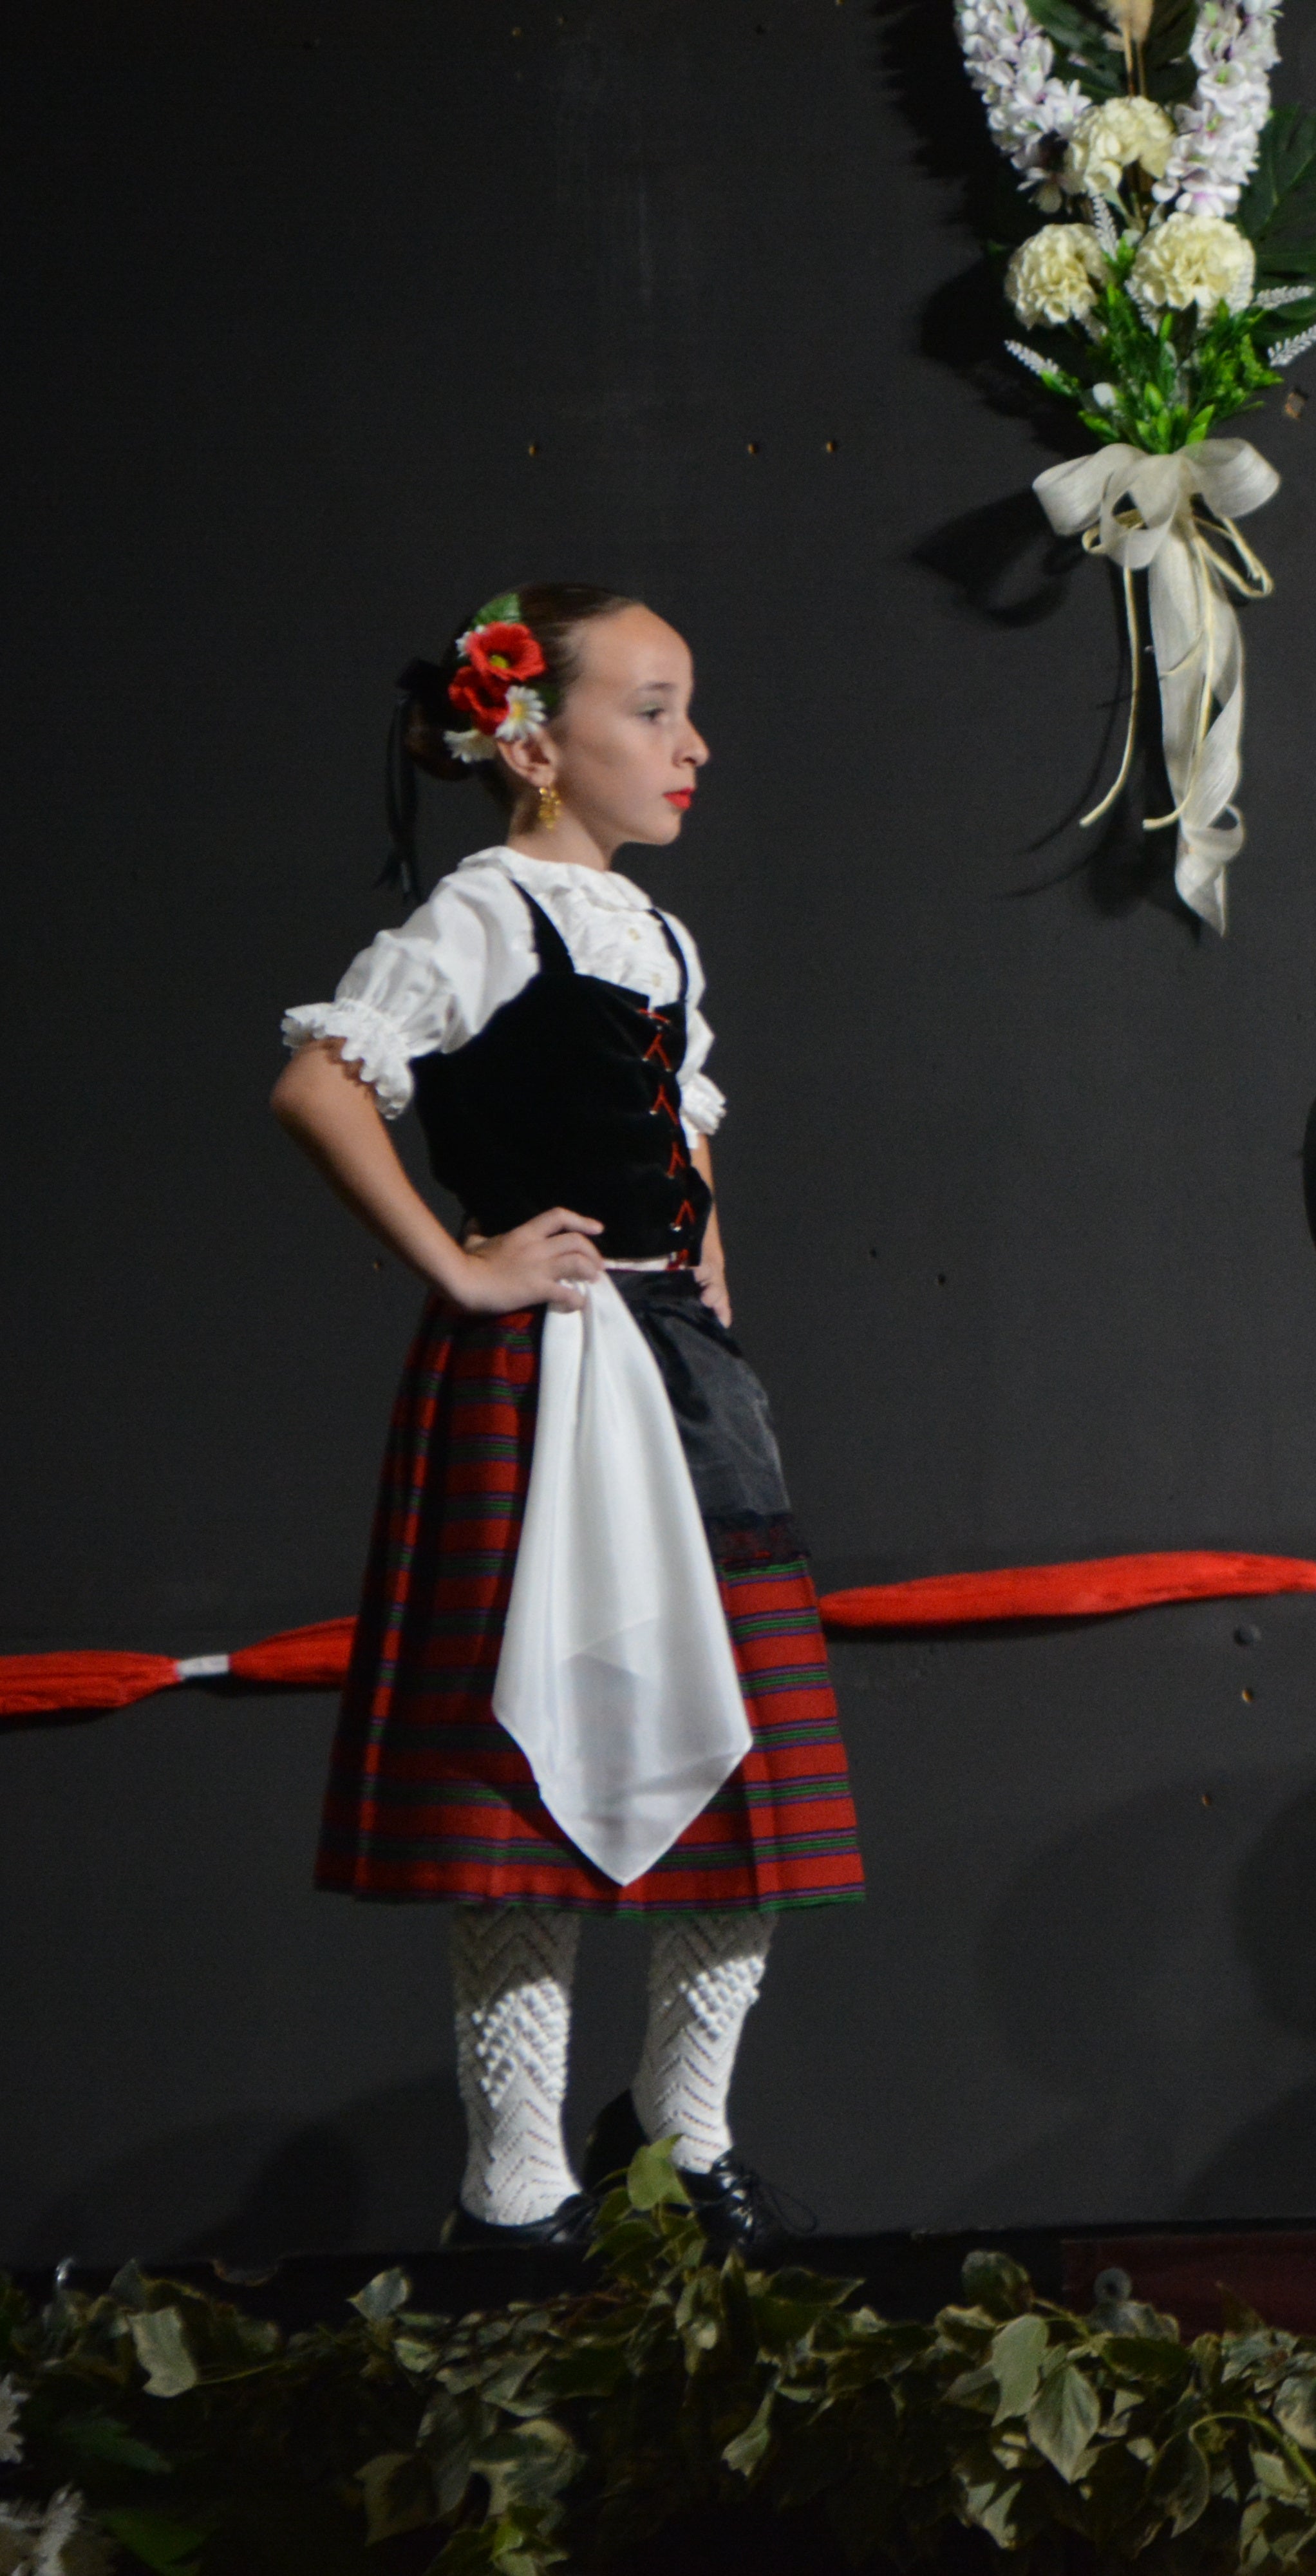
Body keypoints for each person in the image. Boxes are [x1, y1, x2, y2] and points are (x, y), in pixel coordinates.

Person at [274, 585, 857, 2254]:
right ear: (533, 744)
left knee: (749, 1770)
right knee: (528, 1788)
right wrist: (467, 1265)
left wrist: (710, 1261)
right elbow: (322, 1081)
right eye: (654, 710)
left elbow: (682, 1116)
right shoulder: (488, 910)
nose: (694, 745)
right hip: (547, 1377)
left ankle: (682, 2136)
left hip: (674, 1372)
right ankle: (516, 2188)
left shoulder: (655, 930)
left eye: (688, 709)